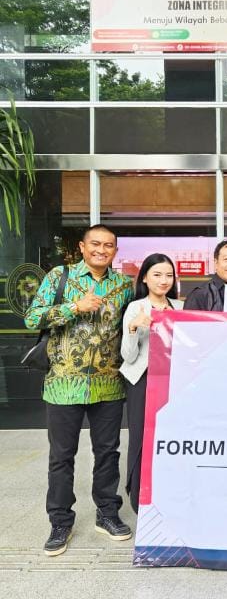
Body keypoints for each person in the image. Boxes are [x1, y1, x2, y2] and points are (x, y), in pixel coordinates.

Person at [25, 224, 134, 557]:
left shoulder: (123, 285)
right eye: (95, 244)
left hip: (108, 384)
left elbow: (138, 321)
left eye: (109, 245)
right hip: (63, 384)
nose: (102, 250)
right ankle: (60, 522)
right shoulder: (60, 277)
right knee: (61, 457)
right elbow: (32, 318)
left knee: (108, 453)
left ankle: (107, 513)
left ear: (115, 251)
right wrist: (74, 307)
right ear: (83, 248)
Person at [120, 254, 183, 514]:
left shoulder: (180, 307)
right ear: (145, 278)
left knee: (171, 437)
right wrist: (134, 328)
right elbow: (128, 356)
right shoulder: (136, 308)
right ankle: (138, 496)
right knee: (141, 437)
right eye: (157, 275)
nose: (163, 280)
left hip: (174, 381)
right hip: (143, 380)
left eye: (168, 275)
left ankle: (168, 492)